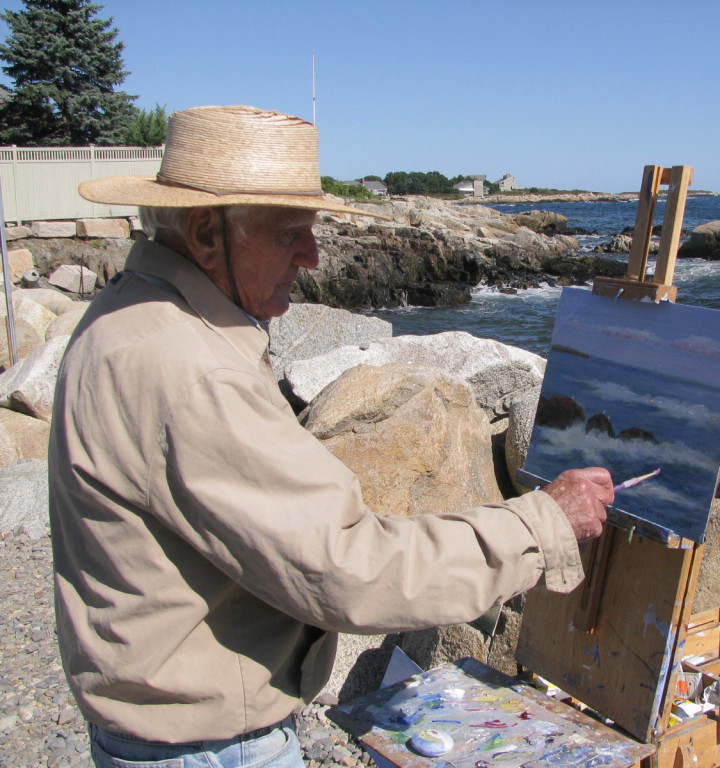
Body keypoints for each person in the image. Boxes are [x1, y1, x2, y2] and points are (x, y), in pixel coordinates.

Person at [48, 105, 612, 768]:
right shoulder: (187, 367)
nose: (313, 256)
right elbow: (351, 568)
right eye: (291, 231)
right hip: (209, 750)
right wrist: (541, 523)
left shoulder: (132, 315)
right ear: (204, 232)